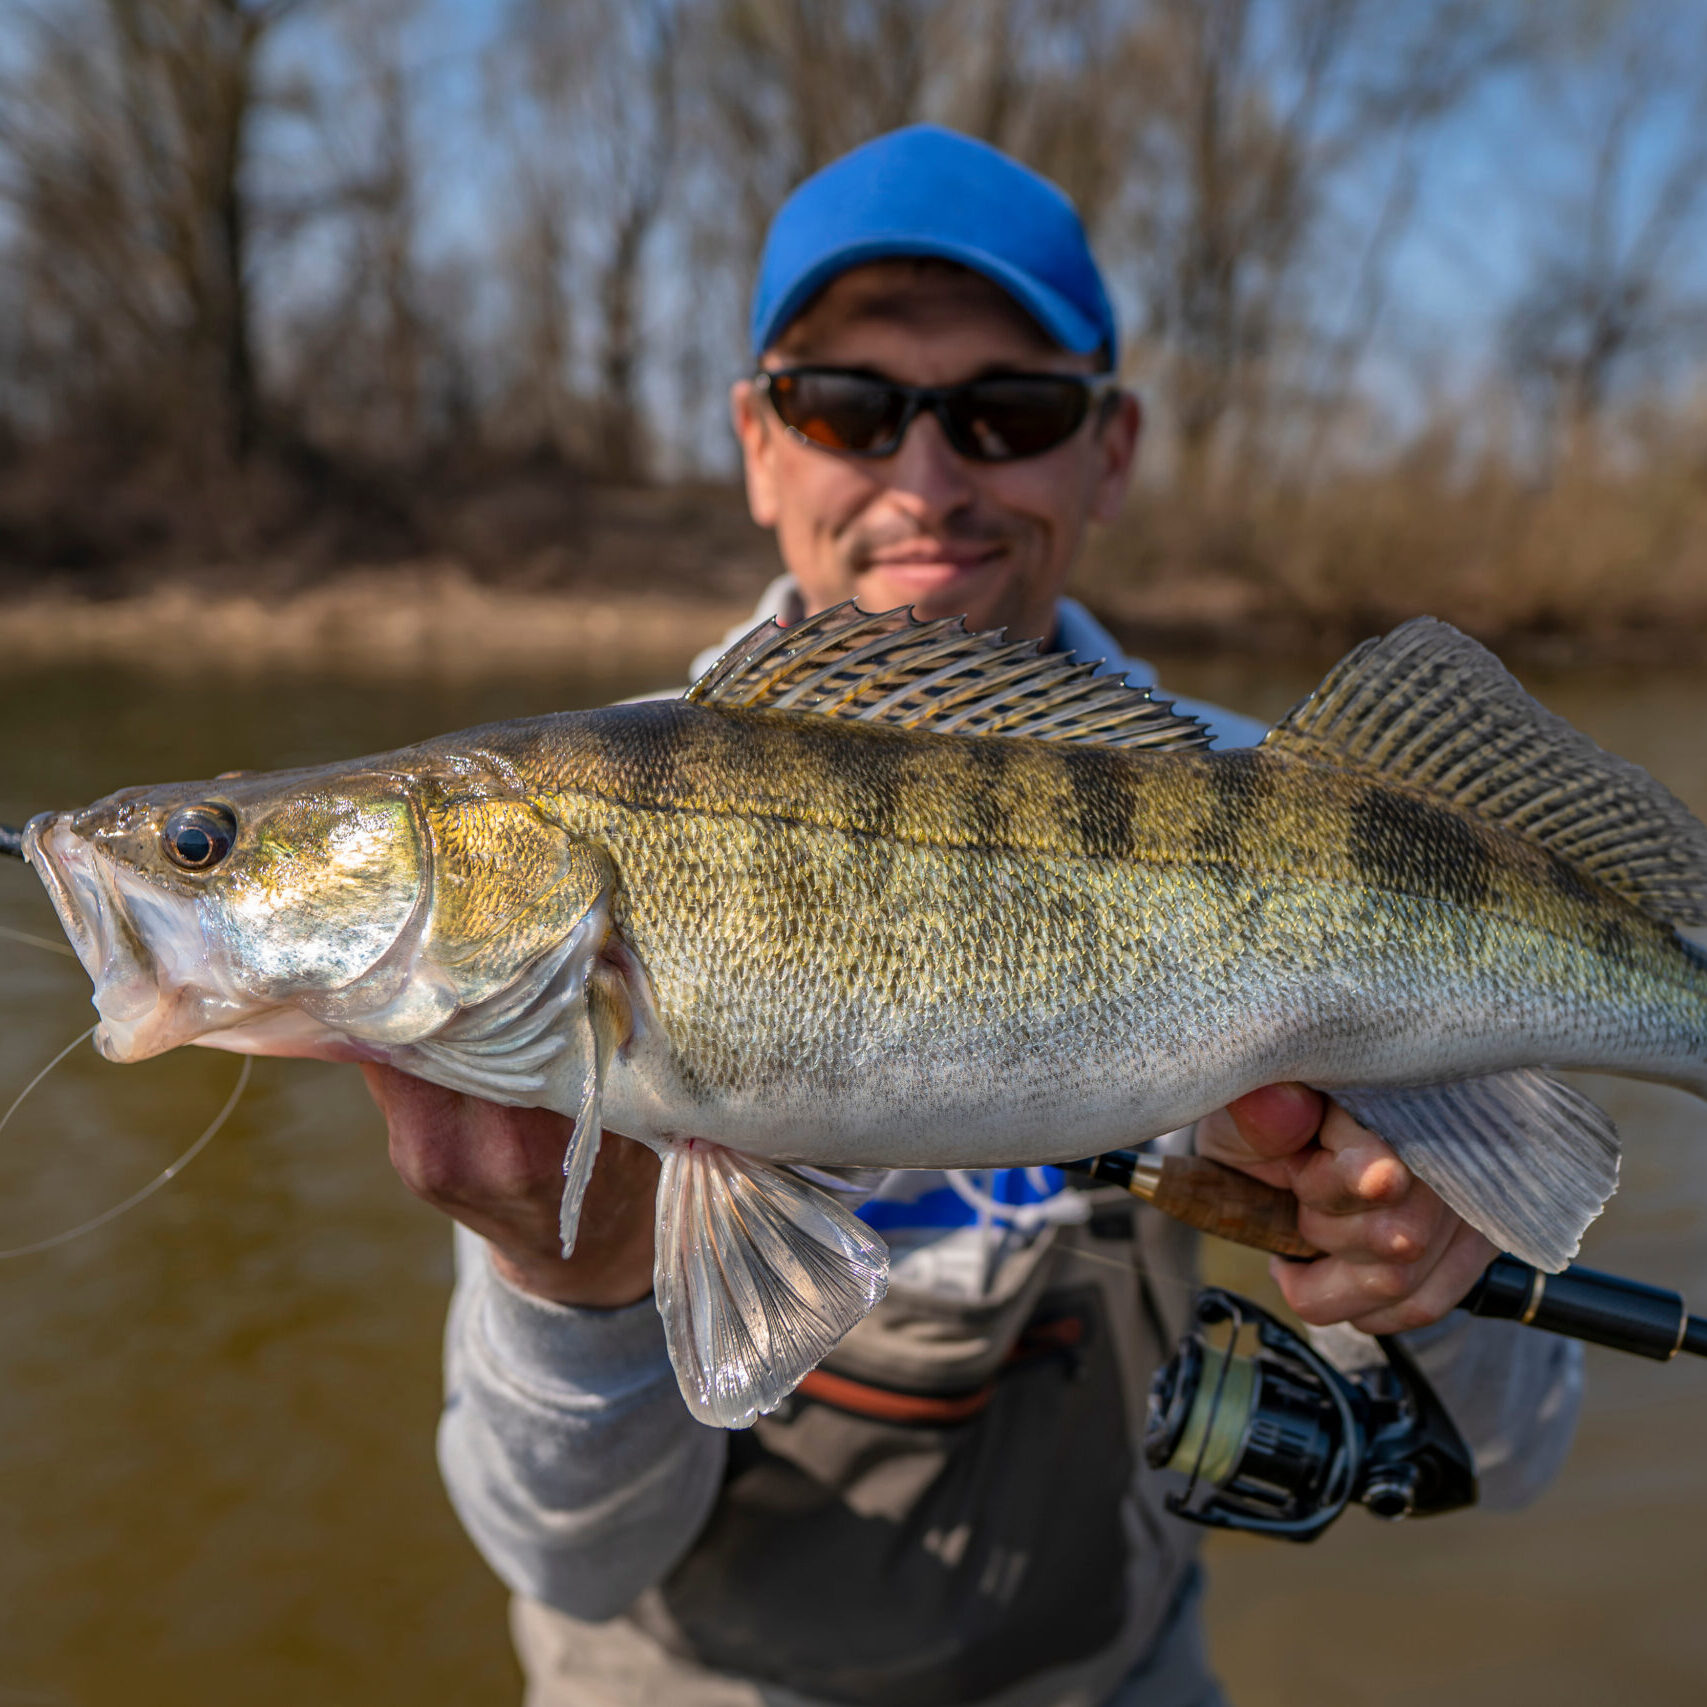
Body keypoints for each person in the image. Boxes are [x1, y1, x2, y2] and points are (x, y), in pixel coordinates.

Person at [363, 127, 1581, 1707]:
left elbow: (1515, 1451)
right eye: (848, 409)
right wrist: (571, 1280)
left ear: (1111, 448)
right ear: (757, 441)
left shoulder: (1284, 806)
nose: (926, 485)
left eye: (1010, 413)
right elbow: (566, 1560)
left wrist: (1424, 1270)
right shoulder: (577, 821)